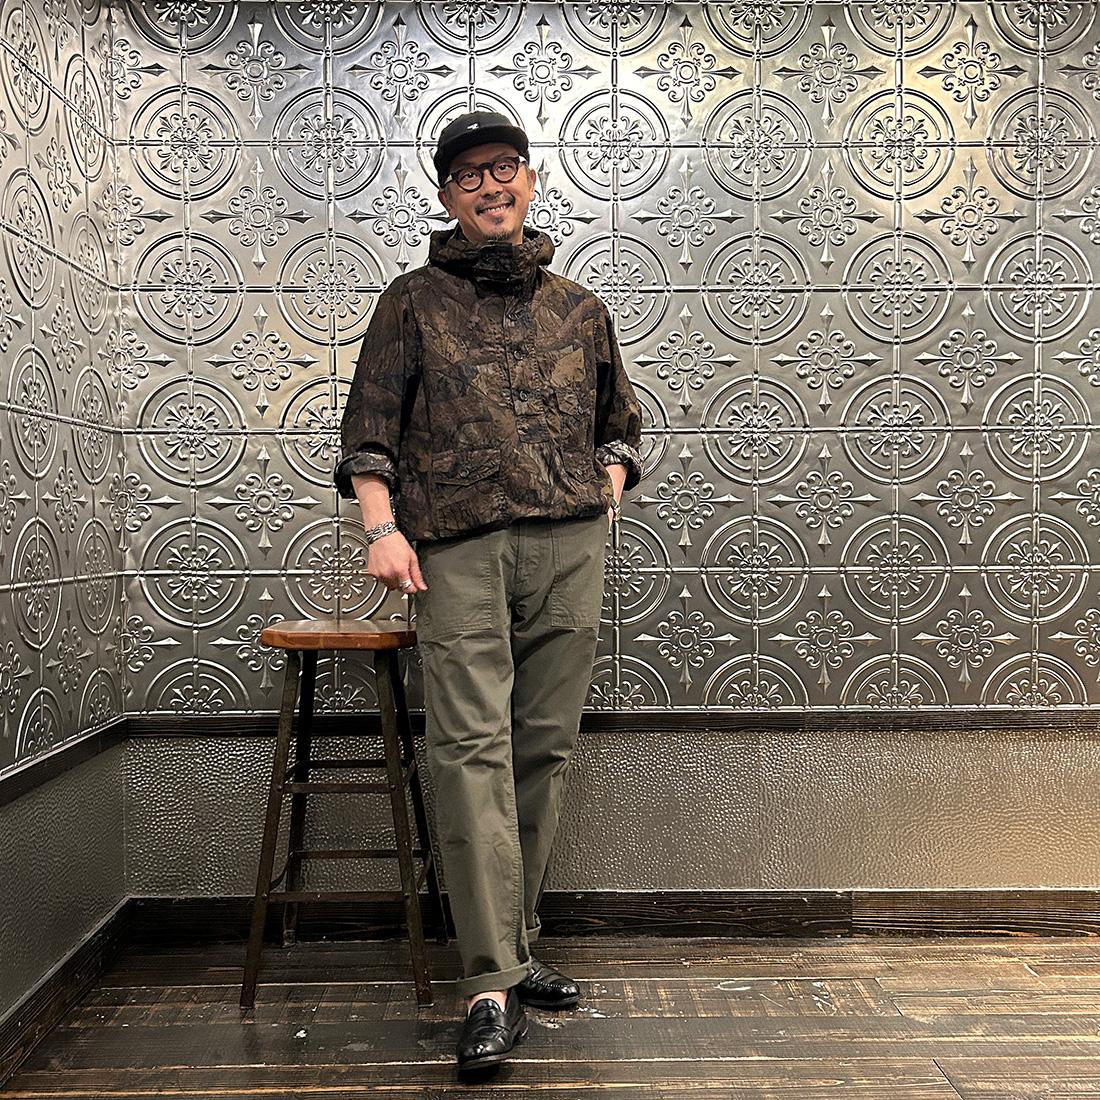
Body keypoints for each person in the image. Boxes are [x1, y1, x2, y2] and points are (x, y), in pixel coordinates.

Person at [334, 109, 642, 1073]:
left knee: (543, 747)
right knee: (470, 751)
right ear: (447, 196)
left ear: (530, 180)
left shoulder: (580, 308)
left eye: (503, 166)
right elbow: (368, 431)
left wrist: (610, 482)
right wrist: (381, 528)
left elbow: (621, 423)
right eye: (468, 174)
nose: (490, 185)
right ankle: (487, 982)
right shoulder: (411, 302)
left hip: (567, 545)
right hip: (456, 549)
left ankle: (517, 944)